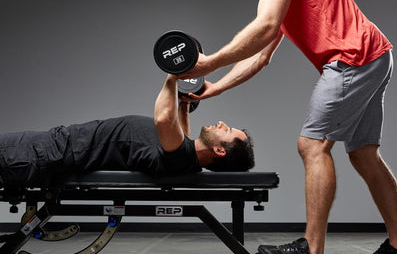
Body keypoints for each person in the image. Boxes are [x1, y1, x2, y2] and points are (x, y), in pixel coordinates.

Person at [179, 0, 397, 254]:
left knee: (312, 145)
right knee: (364, 154)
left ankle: (311, 252)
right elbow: (261, 55)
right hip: (374, 56)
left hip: (352, 59)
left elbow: (264, 26)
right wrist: (216, 87)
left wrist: (210, 63)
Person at [0, 74, 254, 188]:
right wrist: (184, 104)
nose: (221, 122)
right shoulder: (186, 155)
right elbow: (180, 133)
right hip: (51, 146)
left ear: (219, 150)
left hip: (46, 152)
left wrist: (174, 74)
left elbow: (164, 120)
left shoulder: (178, 156)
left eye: (227, 129)